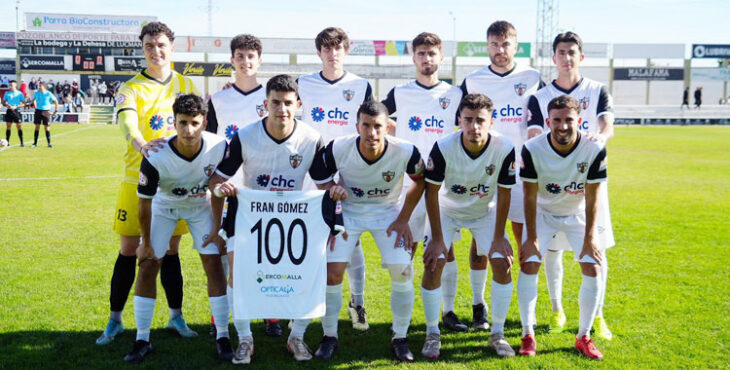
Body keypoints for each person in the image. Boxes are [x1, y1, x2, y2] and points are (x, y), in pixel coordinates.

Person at [208, 74, 326, 363]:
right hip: (250, 218)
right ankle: (245, 339)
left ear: (298, 104)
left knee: (306, 275)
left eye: (288, 103)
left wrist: (334, 195)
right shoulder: (246, 135)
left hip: (293, 219)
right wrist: (221, 188)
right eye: (275, 102)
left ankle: (296, 336)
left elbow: (324, 185)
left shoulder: (311, 138)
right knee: (238, 276)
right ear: (265, 104)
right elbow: (215, 180)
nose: (282, 109)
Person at [96, 21, 198, 347]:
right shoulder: (130, 88)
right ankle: (114, 320)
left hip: (175, 182)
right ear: (142, 48)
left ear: (172, 47)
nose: (155, 51)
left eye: (161, 45)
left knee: (170, 249)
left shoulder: (186, 84)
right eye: (149, 46)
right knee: (129, 250)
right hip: (137, 179)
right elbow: (127, 122)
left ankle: (177, 316)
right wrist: (141, 144)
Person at [310, 101, 425, 362]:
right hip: (350, 212)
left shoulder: (405, 150)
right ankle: (329, 336)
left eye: (377, 126)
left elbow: (420, 181)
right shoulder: (339, 147)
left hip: (387, 213)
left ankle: (400, 337)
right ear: (357, 126)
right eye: (366, 125)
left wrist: (403, 219)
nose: (372, 133)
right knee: (333, 273)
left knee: (403, 272)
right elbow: (318, 174)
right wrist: (332, 191)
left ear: (388, 127)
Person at [124, 94, 232, 364]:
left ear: (204, 121)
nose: (189, 130)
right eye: (182, 123)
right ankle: (142, 338)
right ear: (174, 123)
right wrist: (145, 242)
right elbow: (144, 204)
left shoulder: (219, 146)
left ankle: (222, 335)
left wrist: (218, 229)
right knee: (148, 264)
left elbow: (220, 188)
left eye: (195, 123)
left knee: (214, 264)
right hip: (164, 208)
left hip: (199, 208)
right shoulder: (156, 153)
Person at [527, 31, 616, 339]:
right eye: (561, 52)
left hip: (588, 182)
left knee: (596, 251)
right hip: (552, 186)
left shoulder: (597, 88)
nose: (566, 57)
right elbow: (535, 133)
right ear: (554, 58)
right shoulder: (539, 96)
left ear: (581, 57)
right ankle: (556, 310)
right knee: (552, 252)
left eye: (572, 52)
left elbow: (606, 121)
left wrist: (600, 139)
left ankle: (598, 316)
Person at [380, 32, 466, 333]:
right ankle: (400, 318)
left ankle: (449, 312)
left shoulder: (455, 94)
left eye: (432, 53)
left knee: (447, 248)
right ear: (413, 57)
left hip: (444, 185)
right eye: (421, 54)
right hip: (411, 183)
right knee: (408, 248)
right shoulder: (400, 93)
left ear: (440, 57)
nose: (426, 59)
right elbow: (376, 116)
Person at [419, 94, 516, 359]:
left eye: (480, 120)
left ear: (491, 122)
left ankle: (497, 333)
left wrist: (498, 236)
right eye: (468, 120)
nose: (474, 127)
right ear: (459, 120)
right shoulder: (443, 147)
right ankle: (432, 333)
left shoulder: (505, 147)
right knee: (434, 261)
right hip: (447, 210)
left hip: (484, 212)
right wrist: (438, 238)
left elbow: (505, 193)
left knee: (501, 261)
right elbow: (431, 193)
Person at [460, 20, 543, 330]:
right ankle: (479, 305)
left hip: (523, 173)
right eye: (494, 45)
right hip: (484, 171)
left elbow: (552, 109)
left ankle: (525, 311)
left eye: (505, 44)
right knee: (482, 241)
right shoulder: (472, 80)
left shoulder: (532, 77)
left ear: (515, 45)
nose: (500, 50)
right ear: (487, 46)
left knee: (525, 242)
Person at [517, 95, 607, 360]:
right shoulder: (532, 148)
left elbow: (593, 196)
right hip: (544, 212)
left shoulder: (594, 148)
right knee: (529, 262)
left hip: (576, 212)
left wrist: (590, 238)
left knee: (592, 265)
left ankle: (584, 336)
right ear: (547, 122)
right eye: (557, 120)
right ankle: (527, 334)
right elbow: (530, 196)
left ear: (579, 120)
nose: (563, 126)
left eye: (569, 120)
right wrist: (530, 237)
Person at [298, 26, 374, 332]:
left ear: (347, 49)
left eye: (337, 48)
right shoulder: (303, 84)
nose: (333, 54)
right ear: (319, 53)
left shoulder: (361, 85)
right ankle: (304, 303)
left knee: (349, 240)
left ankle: (358, 303)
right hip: (310, 173)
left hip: (347, 173)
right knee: (307, 241)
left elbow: (374, 120)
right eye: (326, 49)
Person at [206, 34, 282, 340]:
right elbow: (210, 142)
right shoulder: (218, 99)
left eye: (251, 56)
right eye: (240, 56)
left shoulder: (272, 96)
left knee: (267, 253)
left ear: (259, 60)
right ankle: (219, 318)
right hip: (227, 188)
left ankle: (271, 315)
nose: (246, 61)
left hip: (261, 188)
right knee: (224, 254)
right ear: (232, 60)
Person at [30, 82, 58, 148]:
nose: (39, 87)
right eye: (38, 86)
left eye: (40, 86)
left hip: (46, 111)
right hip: (38, 111)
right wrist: (35, 106)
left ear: (44, 87)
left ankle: (49, 143)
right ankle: (35, 143)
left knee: (47, 127)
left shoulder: (49, 94)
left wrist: (56, 110)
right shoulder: (37, 93)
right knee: (37, 127)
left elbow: (56, 101)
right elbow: (34, 100)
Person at [3, 80, 26, 146]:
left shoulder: (20, 93)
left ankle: (22, 143)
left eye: (12, 85)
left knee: (19, 126)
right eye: (10, 85)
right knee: (8, 127)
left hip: (16, 111)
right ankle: (7, 143)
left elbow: (24, 104)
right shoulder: (7, 93)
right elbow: (4, 103)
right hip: (9, 111)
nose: (10, 86)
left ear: (15, 85)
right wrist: (7, 104)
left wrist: (16, 106)